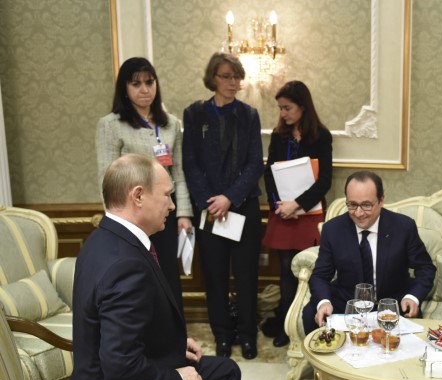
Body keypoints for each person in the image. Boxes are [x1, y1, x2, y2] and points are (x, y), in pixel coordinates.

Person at [65, 154, 273, 380]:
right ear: (138, 195)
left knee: (227, 370)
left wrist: (171, 343)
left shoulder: (103, 239)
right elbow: (120, 365)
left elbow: (118, 327)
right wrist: (176, 379)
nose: (173, 205)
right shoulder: (124, 264)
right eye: (166, 195)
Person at [304, 170, 436, 380]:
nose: (359, 213)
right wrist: (323, 302)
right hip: (348, 300)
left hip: (391, 301)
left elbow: (425, 268)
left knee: (394, 329)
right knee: (311, 313)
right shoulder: (334, 229)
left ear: (382, 200)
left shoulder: (402, 226)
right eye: (352, 205)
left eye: (367, 205)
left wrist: (413, 298)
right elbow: (320, 274)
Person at [182, 53, 264, 359]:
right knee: (215, 277)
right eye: (226, 76)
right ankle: (223, 335)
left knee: (246, 276)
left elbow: (255, 164)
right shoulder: (195, 114)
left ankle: (247, 336)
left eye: (237, 77)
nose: (233, 83)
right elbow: (189, 163)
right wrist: (210, 201)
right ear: (213, 78)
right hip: (209, 211)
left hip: (243, 207)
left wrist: (229, 197)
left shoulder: (249, 115)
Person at [95, 57, 192, 307]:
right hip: (132, 219)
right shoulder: (110, 125)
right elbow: (107, 177)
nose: (144, 89)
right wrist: (116, 221)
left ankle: (175, 340)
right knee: (139, 279)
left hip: (164, 214)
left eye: (149, 82)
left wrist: (183, 213)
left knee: (168, 276)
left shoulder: (171, 124)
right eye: (136, 83)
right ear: (124, 88)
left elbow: (178, 173)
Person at [261, 80, 332, 348]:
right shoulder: (279, 136)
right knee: (286, 272)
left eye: (287, 108)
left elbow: (324, 180)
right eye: (280, 108)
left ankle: (307, 324)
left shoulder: (321, 136)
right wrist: (279, 204)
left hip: (309, 213)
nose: (283, 114)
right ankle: (285, 327)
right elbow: (269, 173)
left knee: (310, 272)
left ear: (303, 106)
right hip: (283, 213)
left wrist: (298, 205)